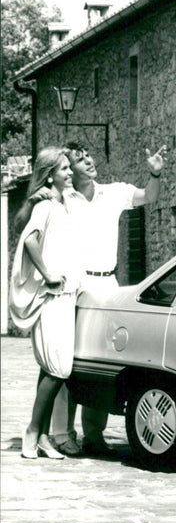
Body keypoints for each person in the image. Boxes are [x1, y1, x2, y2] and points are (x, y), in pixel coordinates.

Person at [47, 141, 167, 457]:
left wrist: (154, 174)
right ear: (69, 169)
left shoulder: (113, 192)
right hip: (74, 284)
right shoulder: (61, 200)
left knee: (100, 360)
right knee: (65, 359)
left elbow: (149, 196)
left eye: (88, 155)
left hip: (108, 285)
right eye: (79, 158)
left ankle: (94, 434)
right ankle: (60, 432)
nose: (88, 161)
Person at [10, 147, 84, 459]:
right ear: (50, 174)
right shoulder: (44, 205)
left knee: (51, 367)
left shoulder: (64, 203)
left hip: (67, 297)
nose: (69, 172)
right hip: (52, 297)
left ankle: (40, 436)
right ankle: (31, 431)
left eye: (69, 167)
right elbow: (29, 239)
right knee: (59, 368)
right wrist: (48, 274)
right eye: (64, 168)